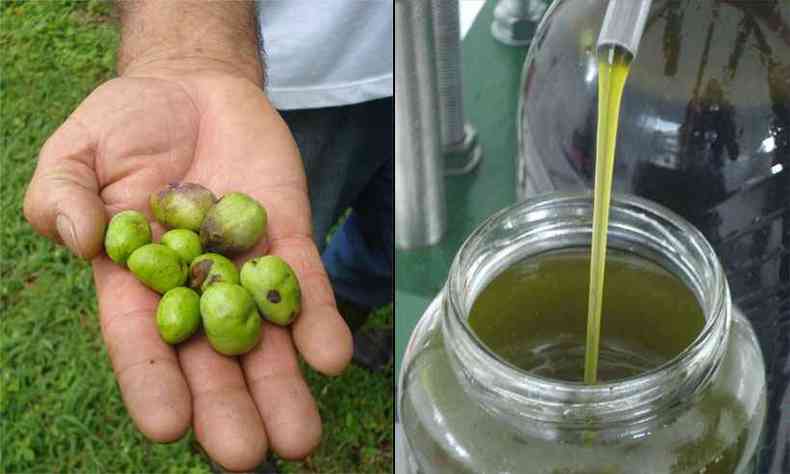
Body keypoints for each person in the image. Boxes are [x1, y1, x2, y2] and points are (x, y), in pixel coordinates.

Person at [22, 1, 393, 472]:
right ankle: (244, 457)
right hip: (291, 83)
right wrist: (183, 47)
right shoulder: (199, 245)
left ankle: (349, 303)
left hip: (411, 61)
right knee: (303, 241)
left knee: (385, 232)